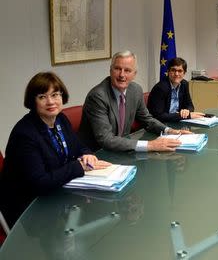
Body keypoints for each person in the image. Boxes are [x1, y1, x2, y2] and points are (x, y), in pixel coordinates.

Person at [0, 72, 111, 228]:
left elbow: (79, 146)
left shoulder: (60, 119)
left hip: (58, 194)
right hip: (29, 209)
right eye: (42, 97)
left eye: (55, 94)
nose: (50, 101)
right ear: (33, 101)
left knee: (102, 212)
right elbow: (40, 182)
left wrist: (87, 154)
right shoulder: (25, 134)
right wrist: (78, 167)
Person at [78, 50, 190, 152]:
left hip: (122, 150)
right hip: (96, 154)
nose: (122, 75)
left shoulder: (135, 90)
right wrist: (150, 145)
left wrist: (170, 131)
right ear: (110, 70)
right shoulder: (98, 96)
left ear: (134, 74)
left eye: (127, 70)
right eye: (117, 69)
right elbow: (106, 140)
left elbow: (147, 120)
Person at [147, 57, 204, 122]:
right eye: (173, 70)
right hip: (161, 125)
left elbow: (190, 105)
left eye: (180, 71)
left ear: (184, 73)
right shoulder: (161, 88)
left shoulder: (184, 84)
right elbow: (158, 116)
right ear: (168, 71)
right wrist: (186, 116)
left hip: (176, 121)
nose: (176, 74)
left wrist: (187, 111)